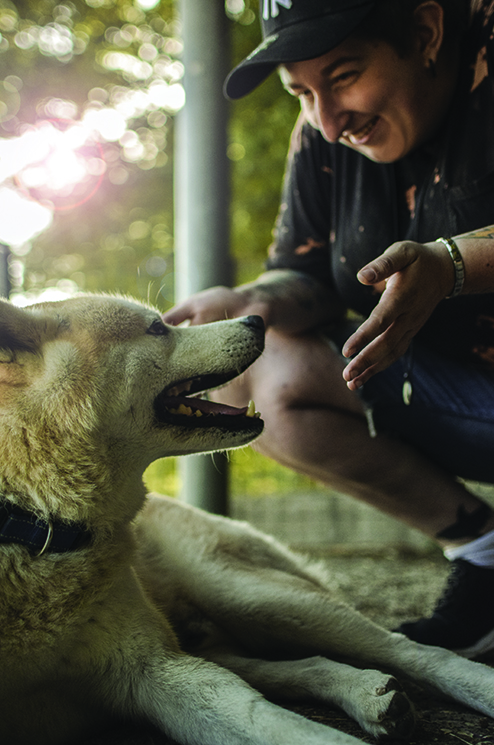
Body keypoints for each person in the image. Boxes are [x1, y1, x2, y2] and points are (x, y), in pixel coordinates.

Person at [163, 0, 494, 658]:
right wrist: (248, 299)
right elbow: (305, 277)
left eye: (343, 75)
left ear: (425, 32)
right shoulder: (320, 130)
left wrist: (451, 264)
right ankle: (486, 554)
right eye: (301, 92)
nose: (327, 118)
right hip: (456, 395)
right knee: (257, 367)